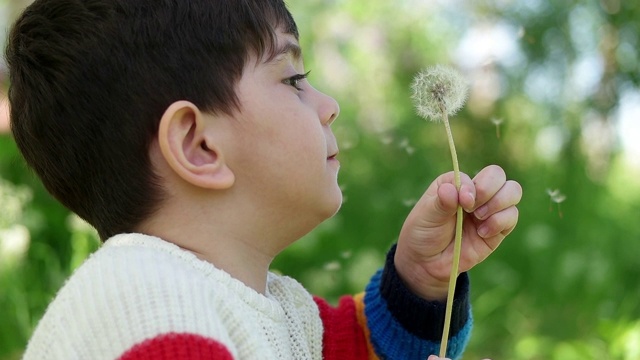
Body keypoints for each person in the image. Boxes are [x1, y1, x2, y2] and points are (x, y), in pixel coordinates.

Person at [5, 0, 522, 359]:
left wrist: (420, 282)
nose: (330, 106)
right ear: (198, 145)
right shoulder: (149, 307)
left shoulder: (273, 309)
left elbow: (356, 348)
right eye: (294, 80)